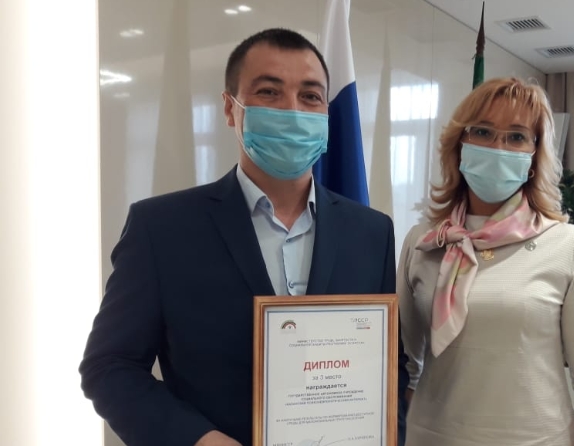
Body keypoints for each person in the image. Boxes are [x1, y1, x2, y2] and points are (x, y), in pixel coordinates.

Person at [80, 28, 409, 446]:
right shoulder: (161, 228)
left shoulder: (372, 232)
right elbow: (110, 367)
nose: (293, 110)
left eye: (310, 96)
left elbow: (388, 364)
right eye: (269, 92)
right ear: (230, 108)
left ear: (327, 112)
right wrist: (199, 440)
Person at [398, 77, 574, 446]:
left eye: (516, 137)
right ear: (459, 144)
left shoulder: (569, 245)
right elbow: (404, 367)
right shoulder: (423, 242)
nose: (498, 147)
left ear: (534, 156)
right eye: (483, 131)